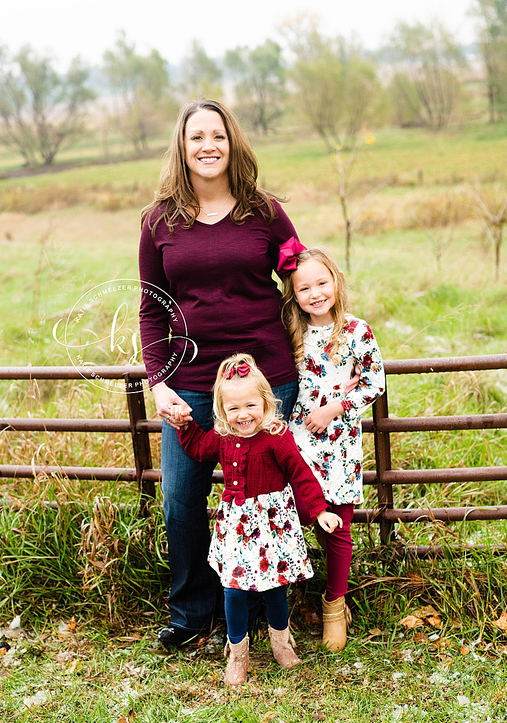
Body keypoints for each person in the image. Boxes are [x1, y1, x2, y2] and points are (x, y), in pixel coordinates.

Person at [139, 98, 306, 648]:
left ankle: (265, 613)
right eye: (196, 137)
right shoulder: (159, 221)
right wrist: (158, 381)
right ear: (182, 148)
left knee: (265, 497)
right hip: (189, 378)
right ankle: (191, 616)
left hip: (265, 380)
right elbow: (151, 308)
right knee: (182, 501)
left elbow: (301, 280)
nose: (208, 146)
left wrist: (325, 342)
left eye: (218, 135)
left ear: (232, 143)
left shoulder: (265, 212)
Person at [170, 354, 343, 686]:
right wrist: (185, 425)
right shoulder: (221, 438)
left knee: (275, 590)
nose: (243, 415)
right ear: (222, 411)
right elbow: (197, 449)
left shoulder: (276, 438)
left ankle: (281, 643)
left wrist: (320, 510)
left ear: (265, 403)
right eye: (233, 408)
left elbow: (301, 474)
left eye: (250, 405)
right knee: (233, 590)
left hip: (272, 524)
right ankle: (238, 655)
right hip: (236, 525)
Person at [280, 246, 386, 652]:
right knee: (298, 515)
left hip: (338, 443)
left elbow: (374, 382)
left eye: (322, 283)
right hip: (296, 441)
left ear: (336, 282)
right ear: (294, 294)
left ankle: (334, 605)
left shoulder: (356, 330)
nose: (315, 293)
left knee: (338, 526)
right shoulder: (291, 333)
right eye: (304, 287)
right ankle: (286, 603)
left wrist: (335, 408)